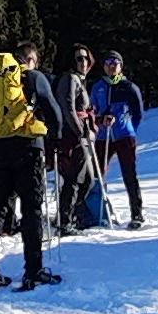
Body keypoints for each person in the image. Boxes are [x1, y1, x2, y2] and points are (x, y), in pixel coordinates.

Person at [0, 48, 67, 292]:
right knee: (31, 209)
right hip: (28, 148)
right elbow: (52, 109)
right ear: (29, 60)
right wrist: (56, 136)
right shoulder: (33, 77)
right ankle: (33, 271)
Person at [92, 52, 147, 228]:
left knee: (129, 175)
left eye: (115, 63)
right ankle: (100, 213)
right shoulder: (97, 87)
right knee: (97, 176)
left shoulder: (129, 87)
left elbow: (138, 113)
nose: (111, 66)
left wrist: (128, 128)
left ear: (121, 66)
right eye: (108, 62)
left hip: (124, 136)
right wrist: (100, 121)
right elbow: (92, 111)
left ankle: (136, 214)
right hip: (103, 137)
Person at [54, 45, 99, 232]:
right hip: (72, 136)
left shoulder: (79, 79)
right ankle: (65, 220)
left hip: (80, 134)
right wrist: (80, 131)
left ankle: (70, 216)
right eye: (79, 58)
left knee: (86, 179)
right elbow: (68, 107)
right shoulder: (70, 78)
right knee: (75, 178)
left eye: (86, 58)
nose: (84, 62)